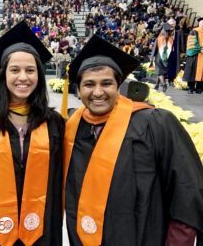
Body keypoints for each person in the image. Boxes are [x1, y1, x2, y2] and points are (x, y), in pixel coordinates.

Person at [64, 35, 203, 245]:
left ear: (119, 85)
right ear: (79, 89)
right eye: (89, 84)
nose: (98, 92)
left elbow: (187, 191)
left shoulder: (155, 123)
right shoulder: (72, 128)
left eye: (107, 83)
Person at [0, 21, 65, 245]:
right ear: (3, 75)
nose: (23, 77)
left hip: (40, 228)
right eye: (15, 70)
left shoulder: (54, 122)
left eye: (30, 70)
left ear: (39, 75)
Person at [151, 23, 174, 92]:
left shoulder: (159, 38)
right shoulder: (171, 39)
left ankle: (164, 84)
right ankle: (156, 85)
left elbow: (155, 48)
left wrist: (152, 56)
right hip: (166, 58)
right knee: (160, 72)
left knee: (159, 73)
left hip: (159, 57)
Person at [183, 17, 203, 94]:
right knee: (192, 71)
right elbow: (191, 44)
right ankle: (190, 88)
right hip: (195, 55)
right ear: (199, 23)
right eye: (202, 23)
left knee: (201, 73)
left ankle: (199, 88)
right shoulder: (194, 31)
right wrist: (200, 49)